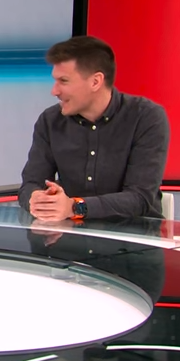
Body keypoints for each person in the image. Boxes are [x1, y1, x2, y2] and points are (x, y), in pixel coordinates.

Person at [18, 35, 169, 221]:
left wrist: (75, 207)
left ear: (95, 82)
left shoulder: (146, 117)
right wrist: (36, 198)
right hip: (71, 235)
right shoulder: (50, 121)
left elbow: (140, 198)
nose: (54, 91)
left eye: (63, 81)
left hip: (136, 234)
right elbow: (30, 185)